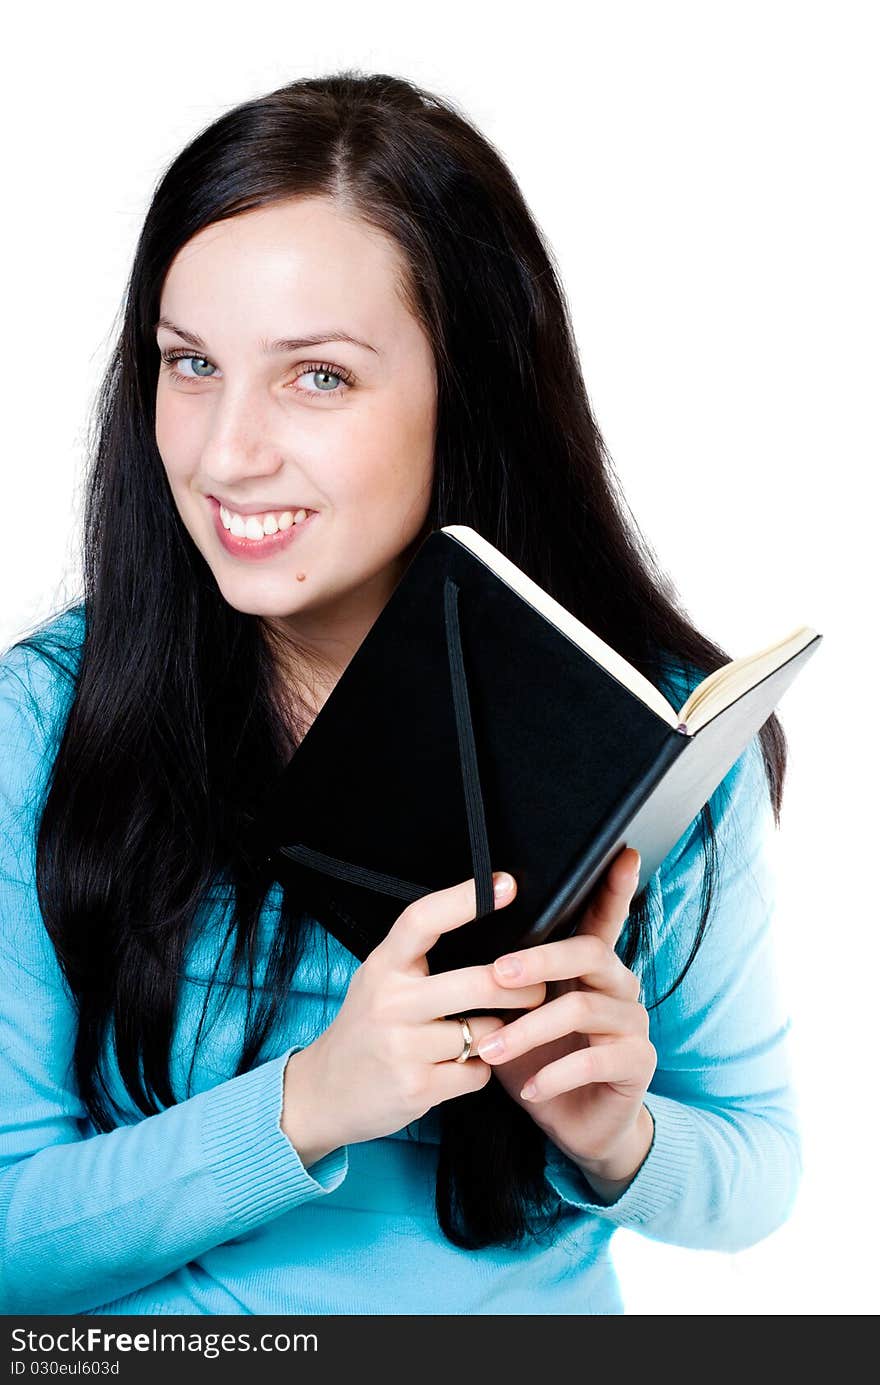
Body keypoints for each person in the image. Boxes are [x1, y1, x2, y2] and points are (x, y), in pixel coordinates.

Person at [0, 71, 800, 1317]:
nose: (222, 452)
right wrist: (311, 1100)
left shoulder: (645, 726)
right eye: (190, 363)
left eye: (318, 376)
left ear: (462, 388)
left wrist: (613, 1134)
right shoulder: (50, 719)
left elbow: (759, 1169)